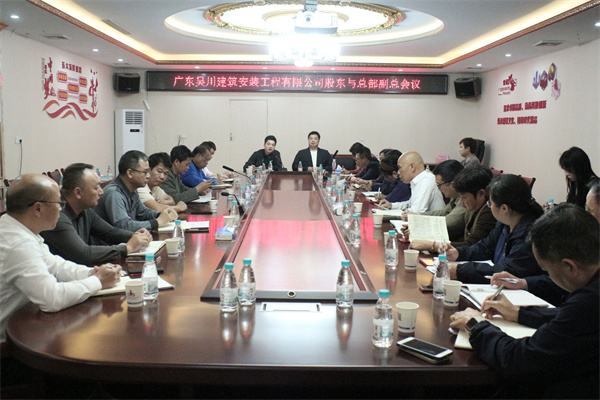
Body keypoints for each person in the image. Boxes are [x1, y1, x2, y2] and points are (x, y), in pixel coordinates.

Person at [450, 204, 599, 399]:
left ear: (570, 267)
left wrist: (475, 326)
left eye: (547, 270)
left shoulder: (588, 302)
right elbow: (567, 319)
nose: (548, 276)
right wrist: (520, 313)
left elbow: (519, 360)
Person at [0, 174, 121, 342]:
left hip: (26, 326)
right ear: (38, 209)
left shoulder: (17, 228)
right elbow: (51, 299)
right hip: (9, 345)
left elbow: (56, 266)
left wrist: (93, 273)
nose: (61, 209)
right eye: (58, 203)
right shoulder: (18, 243)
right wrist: (98, 281)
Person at [40, 163, 152, 265]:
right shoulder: (57, 216)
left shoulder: (85, 209)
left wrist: (136, 236)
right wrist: (127, 248)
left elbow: (110, 233)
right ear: (78, 192)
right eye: (96, 188)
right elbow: (84, 254)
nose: (101, 192)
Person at [443, 174, 545, 283]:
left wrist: (461, 271)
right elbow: (485, 247)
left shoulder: (530, 234)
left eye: (490, 203)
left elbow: (509, 271)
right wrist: (459, 253)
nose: (489, 206)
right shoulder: (505, 223)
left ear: (504, 208)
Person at [96, 150, 177, 231]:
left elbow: (142, 213)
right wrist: (157, 222)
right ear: (130, 173)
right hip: (109, 239)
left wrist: (161, 215)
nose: (148, 176)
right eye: (145, 172)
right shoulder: (114, 193)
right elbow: (124, 225)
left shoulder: (133, 190)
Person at [408, 160, 467, 249]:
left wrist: (417, 224)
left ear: (453, 184)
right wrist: (418, 216)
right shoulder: (454, 196)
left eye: (439, 185)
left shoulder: (465, 199)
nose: (438, 189)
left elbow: (447, 222)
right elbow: (444, 212)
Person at [378, 151, 445, 213]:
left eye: (400, 168)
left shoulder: (427, 179)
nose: (398, 172)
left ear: (412, 167)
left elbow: (417, 210)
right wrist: (391, 205)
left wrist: (404, 213)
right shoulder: (417, 180)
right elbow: (411, 203)